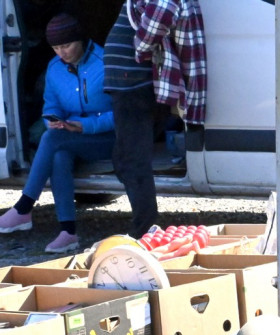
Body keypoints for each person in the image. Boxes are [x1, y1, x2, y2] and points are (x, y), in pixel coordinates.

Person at [0, 14, 115, 254]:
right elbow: (50, 106)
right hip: (70, 136)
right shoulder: (54, 68)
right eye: (55, 48)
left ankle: (24, 206)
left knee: (52, 140)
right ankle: (68, 232)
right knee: (59, 153)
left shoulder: (105, 61)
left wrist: (84, 126)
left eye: (66, 46)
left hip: (107, 138)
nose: (61, 53)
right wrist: (53, 120)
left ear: (80, 40)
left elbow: (121, 115)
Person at [103, 0, 207, 238]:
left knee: (132, 160)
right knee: (127, 158)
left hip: (133, 84)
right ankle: (145, 224)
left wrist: (141, 45)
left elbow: (164, 7)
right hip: (132, 84)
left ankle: (144, 230)